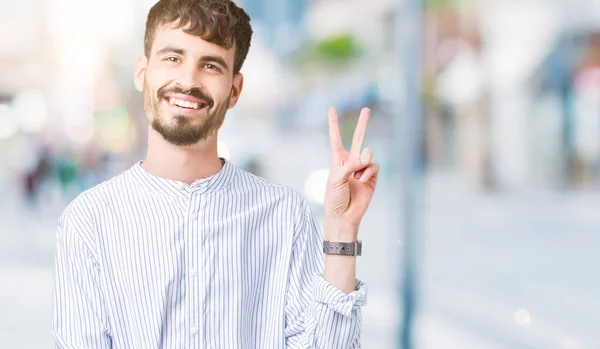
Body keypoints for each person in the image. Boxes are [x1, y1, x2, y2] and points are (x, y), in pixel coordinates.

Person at [52, 0, 379, 348]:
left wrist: (342, 232)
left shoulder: (286, 216)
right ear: (141, 72)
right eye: (172, 58)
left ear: (234, 90)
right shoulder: (88, 221)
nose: (188, 81)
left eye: (210, 65)